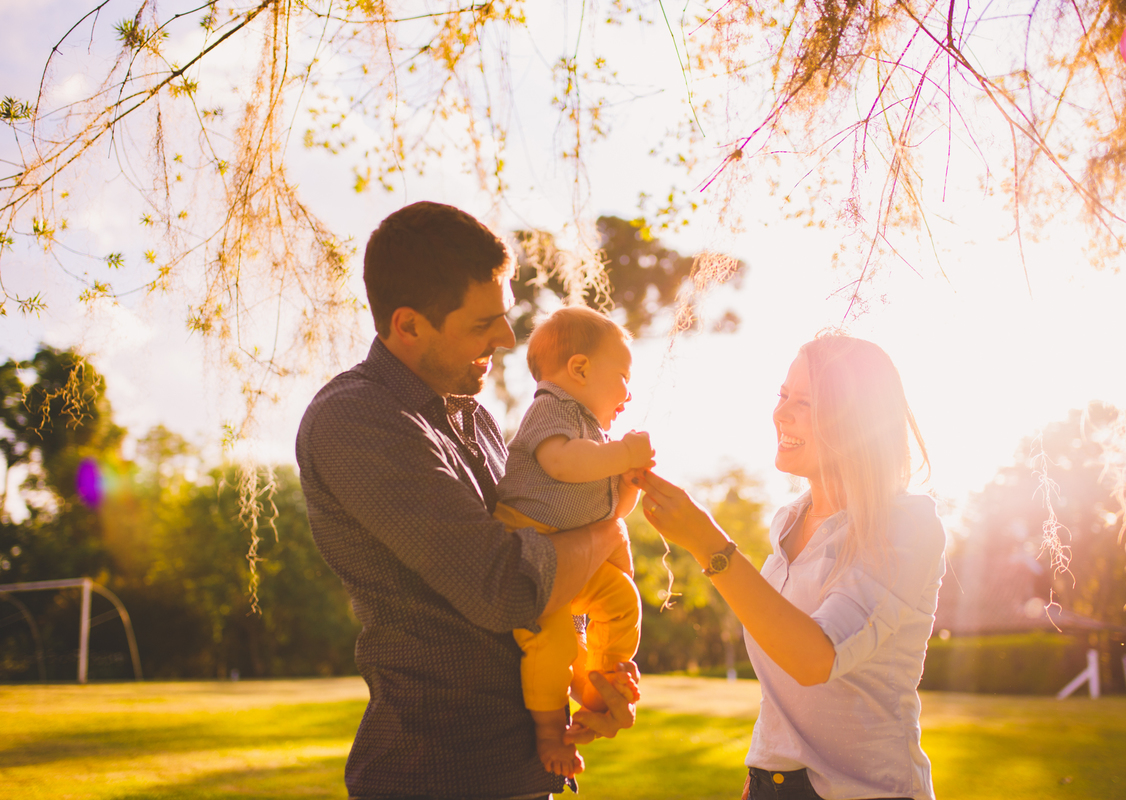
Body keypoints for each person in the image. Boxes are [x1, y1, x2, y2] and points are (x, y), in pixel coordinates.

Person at [295, 201, 638, 800]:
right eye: (484, 323)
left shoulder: (473, 418)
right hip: (439, 774)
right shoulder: (356, 419)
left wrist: (589, 679)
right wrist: (609, 531)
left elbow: (546, 571)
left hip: (523, 771)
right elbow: (509, 588)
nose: (506, 338)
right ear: (409, 325)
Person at [635, 332, 945, 800]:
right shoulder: (787, 522)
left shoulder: (906, 525)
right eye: (782, 396)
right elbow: (782, 679)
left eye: (806, 402)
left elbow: (814, 657)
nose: (780, 414)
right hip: (771, 784)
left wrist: (707, 543)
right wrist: (763, 766)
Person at [494, 306, 653, 777]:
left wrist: (629, 480)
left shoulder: (594, 434)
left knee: (624, 600)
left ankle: (605, 685)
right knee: (554, 640)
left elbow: (613, 513)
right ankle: (549, 731)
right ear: (580, 369)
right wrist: (621, 453)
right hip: (530, 549)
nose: (629, 392)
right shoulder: (552, 410)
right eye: (623, 377)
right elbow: (563, 464)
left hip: (573, 553)